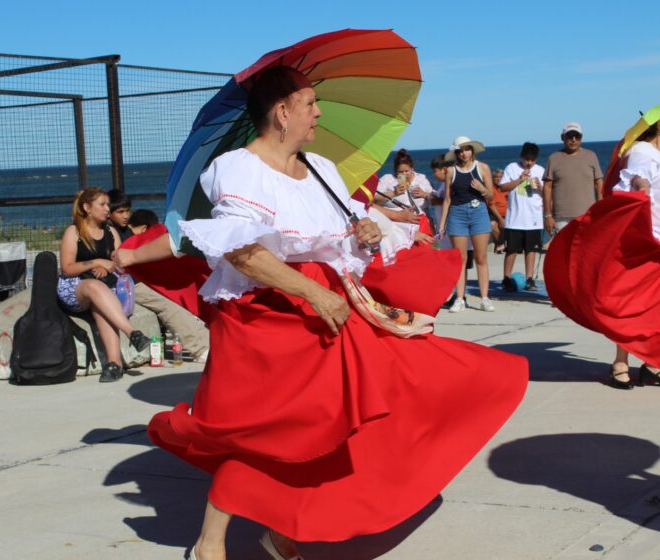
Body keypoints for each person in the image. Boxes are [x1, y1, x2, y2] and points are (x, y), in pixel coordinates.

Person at [114, 66, 527, 560]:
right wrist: (312, 295)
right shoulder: (237, 169)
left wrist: (366, 236)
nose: (318, 112)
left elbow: (338, 239)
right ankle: (211, 543)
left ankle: (284, 528)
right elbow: (241, 252)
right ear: (281, 111)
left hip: (327, 306)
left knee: (354, 411)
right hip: (267, 314)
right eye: (309, 103)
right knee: (270, 427)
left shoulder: (321, 171)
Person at [544, 113, 660, 390]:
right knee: (633, 302)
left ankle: (654, 363)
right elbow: (635, 180)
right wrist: (641, 185)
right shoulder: (641, 152)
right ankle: (620, 363)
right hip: (648, 238)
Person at [57, 188, 151, 382]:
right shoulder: (73, 232)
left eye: (108, 204)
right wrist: (97, 262)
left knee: (99, 304)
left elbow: (120, 262)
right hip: (76, 286)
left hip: (104, 288)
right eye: (102, 204)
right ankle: (131, 332)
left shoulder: (111, 232)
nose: (107, 209)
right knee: (93, 287)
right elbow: (66, 268)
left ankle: (114, 364)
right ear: (87, 207)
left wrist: (109, 268)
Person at [126, 209, 211, 363]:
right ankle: (200, 348)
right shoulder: (123, 235)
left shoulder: (120, 233)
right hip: (132, 283)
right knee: (169, 305)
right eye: (121, 211)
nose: (125, 216)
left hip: (141, 281)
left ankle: (207, 343)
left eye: (127, 211)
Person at [437, 135, 500, 313]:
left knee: (481, 258)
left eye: (466, 149)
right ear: (456, 153)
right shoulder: (451, 171)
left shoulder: (483, 168)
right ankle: (459, 299)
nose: (464, 153)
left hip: (479, 212)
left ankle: (485, 298)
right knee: (461, 260)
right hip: (457, 214)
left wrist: (482, 189)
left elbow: (491, 196)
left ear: (472, 150)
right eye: (460, 151)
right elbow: (447, 199)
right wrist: (442, 224)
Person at [498, 143, 544, 291]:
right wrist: (520, 180)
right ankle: (506, 278)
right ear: (521, 157)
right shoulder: (512, 167)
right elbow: (502, 187)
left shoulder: (540, 170)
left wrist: (541, 187)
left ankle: (529, 279)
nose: (529, 162)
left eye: (532, 160)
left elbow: (548, 193)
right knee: (511, 249)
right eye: (526, 159)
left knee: (531, 249)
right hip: (515, 218)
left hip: (534, 218)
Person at [542, 122, 603, 235]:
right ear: (563, 138)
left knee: (586, 251)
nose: (574, 139)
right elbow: (547, 187)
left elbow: (599, 183)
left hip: (588, 215)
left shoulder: (591, 156)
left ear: (581, 138)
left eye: (577, 136)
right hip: (561, 218)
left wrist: (600, 211)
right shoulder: (554, 158)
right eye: (570, 136)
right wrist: (547, 215)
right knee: (563, 251)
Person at [376, 148, 433, 216]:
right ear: (395, 170)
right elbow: (374, 198)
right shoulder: (388, 179)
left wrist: (424, 194)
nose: (404, 174)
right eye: (400, 172)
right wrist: (394, 193)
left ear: (412, 169)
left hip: (419, 219)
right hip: (396, 220)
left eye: (406, 171)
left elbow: (436, 199)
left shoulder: (421, 179)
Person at [490, 168, 508, 254]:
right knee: (493, 224)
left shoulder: (507, 187)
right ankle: (500, 243)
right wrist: (500, 218)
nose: (499, 179)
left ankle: (501, 245)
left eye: (501, 177)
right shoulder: (490, 188)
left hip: (508, 214)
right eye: (496, 177)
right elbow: (491, 204)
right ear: (492, 178)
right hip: (494, 214)